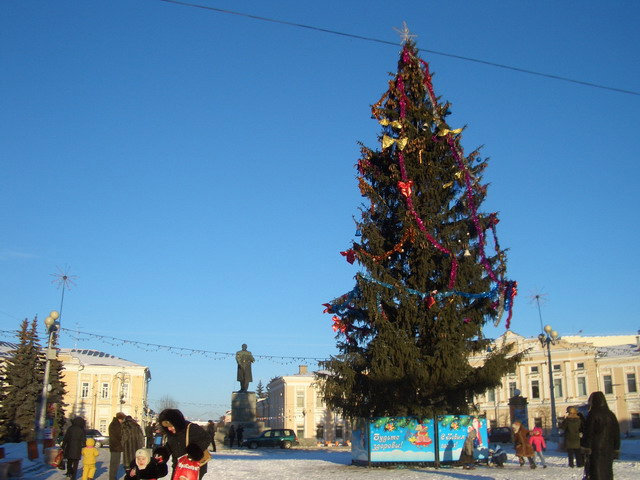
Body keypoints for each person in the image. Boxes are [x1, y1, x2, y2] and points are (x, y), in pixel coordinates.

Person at [158, 408, 211, 480]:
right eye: (167, 427)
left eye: (170, 426)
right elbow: (170, 446)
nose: (169, 429)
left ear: (176, 422)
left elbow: (206, 438)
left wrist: (195, 449)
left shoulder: (192, 428)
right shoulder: (171, 433)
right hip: (178, 467)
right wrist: (163, 453)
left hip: (193, 467)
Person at [582, 391, 620, 480]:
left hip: (596, 449)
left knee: (596, 471)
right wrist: (616, 448)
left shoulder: (592, 414)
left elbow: (588, 432)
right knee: (607, 471)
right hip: (609, 449)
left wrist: (586, 447)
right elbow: (616, 433)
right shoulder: (611, 414)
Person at [108, 412, 126, 480]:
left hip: (114, 446)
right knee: (115, 463)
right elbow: (119, 435)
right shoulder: (116, 425)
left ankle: (112, 477)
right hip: (116, 446)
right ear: (120, 419)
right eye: (122, 419)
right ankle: (112, 477)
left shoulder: (114, 424)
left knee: (114, 463)